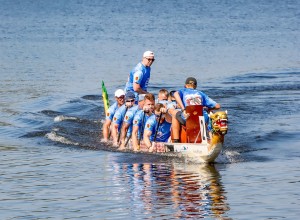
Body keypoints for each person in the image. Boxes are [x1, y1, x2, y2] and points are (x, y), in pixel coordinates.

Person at [171, 77, 221, 142]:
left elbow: (175, 94)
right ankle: (210, 138)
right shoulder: (201, 93)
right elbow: (217, 106)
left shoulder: (183, 90)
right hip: (202, 118)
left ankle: (176, 140)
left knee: (174, 114)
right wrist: (209, 108)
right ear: (195, 86)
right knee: (209, 115)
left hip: (188, 118)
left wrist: (183, 109)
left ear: (185, 85)